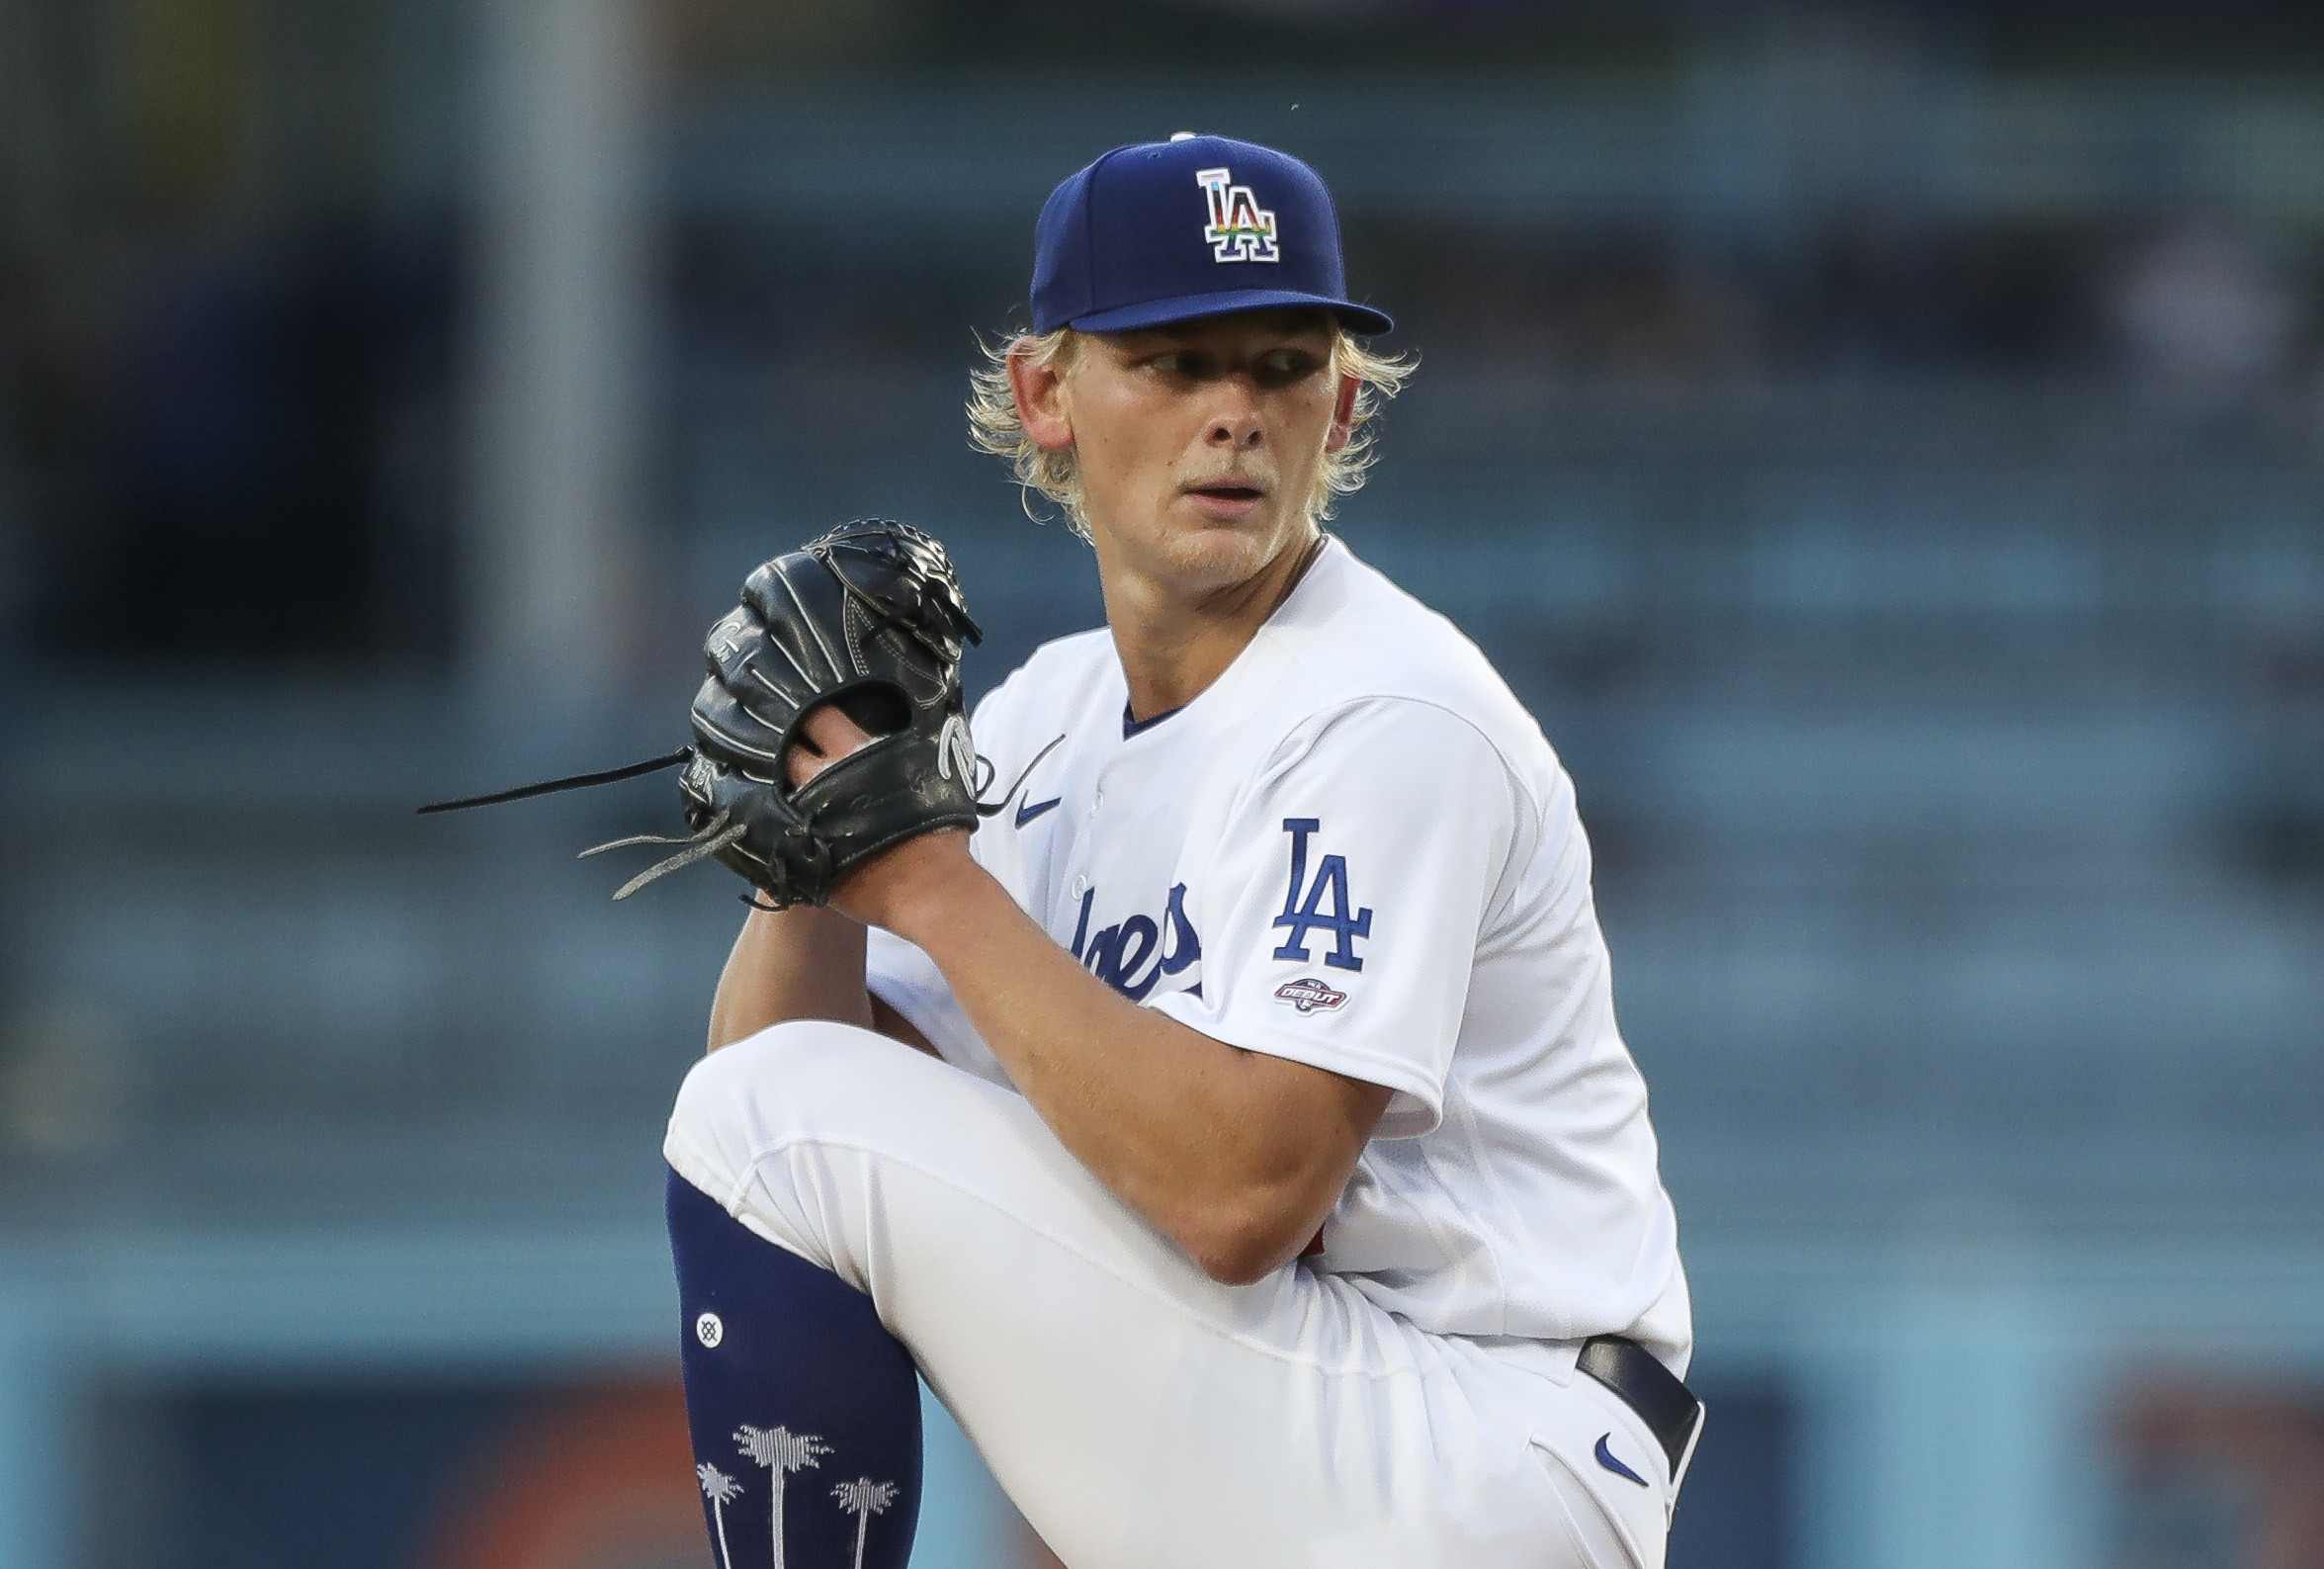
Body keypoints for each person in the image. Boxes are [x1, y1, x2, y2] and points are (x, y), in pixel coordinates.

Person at [662, 132, 1697, 1569]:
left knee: (768, 1119)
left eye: (1280, 366)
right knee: (758, 1110)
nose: (1234, 413)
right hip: (1318, 1412)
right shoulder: (1049, 718)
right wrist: (812, 862)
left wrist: (930, 881)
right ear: (1045, 396)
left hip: (1485, 1432)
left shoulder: (1388, 706)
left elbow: (1242, 1197)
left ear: (1340, 409)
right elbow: (778, 1099)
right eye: (1172, 360)